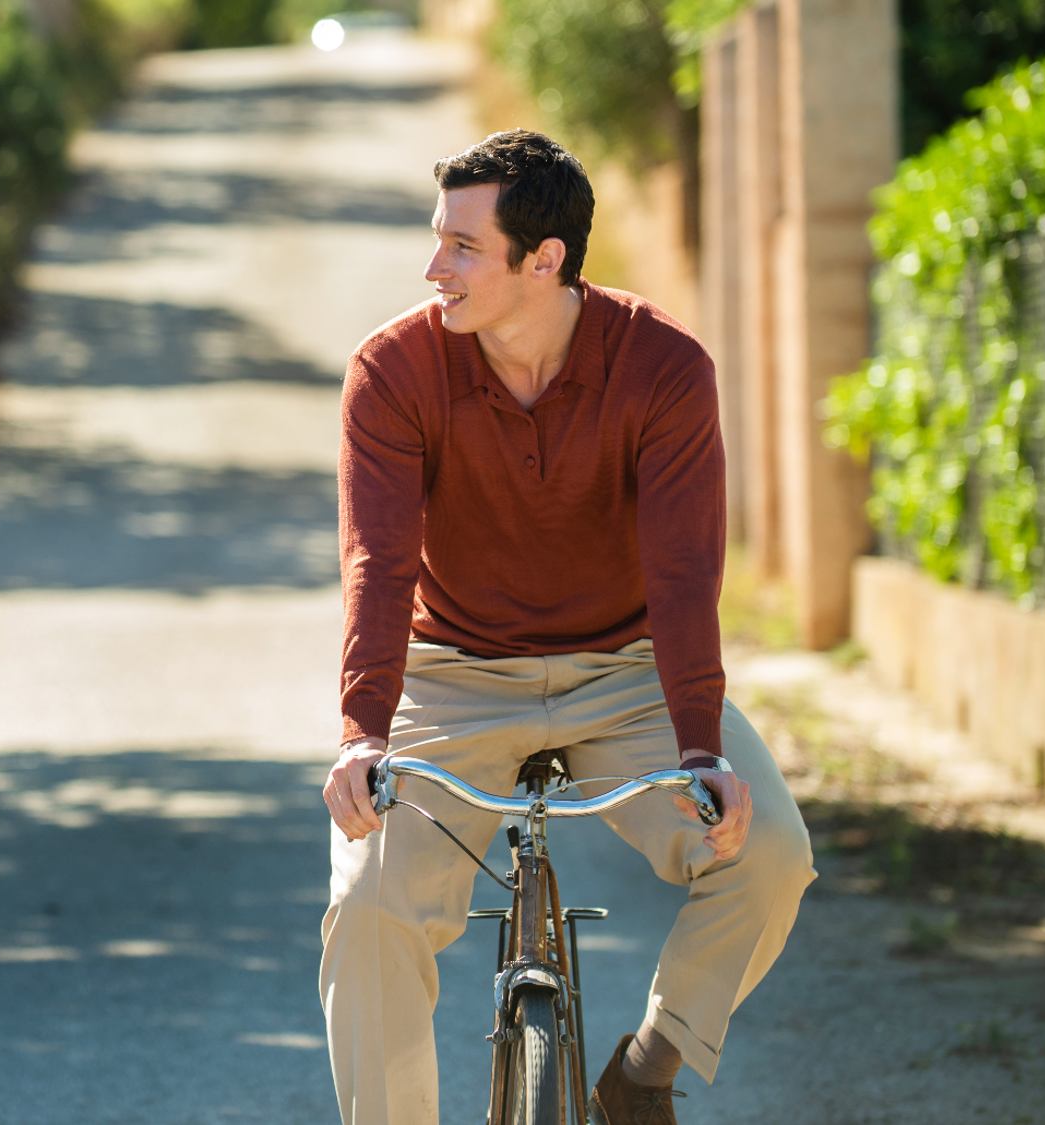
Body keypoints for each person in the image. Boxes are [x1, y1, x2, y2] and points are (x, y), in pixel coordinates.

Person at [318, 130, 817, 1125]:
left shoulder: (662, 367)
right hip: (452, 672)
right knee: (368, 909)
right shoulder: (393, 368)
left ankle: (642, 1069)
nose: (433, 269)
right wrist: (361, 731)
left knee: (769, 857)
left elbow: (682, 571)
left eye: (461, 246)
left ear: (542, 261)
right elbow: (378, 563)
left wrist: (698, 744)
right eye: (436, 240)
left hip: (624, 669)